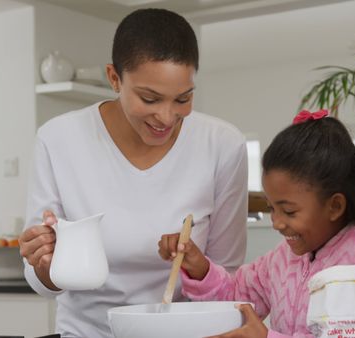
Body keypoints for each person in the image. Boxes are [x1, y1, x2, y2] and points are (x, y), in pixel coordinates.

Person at [19, 8, 248, 338]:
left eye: (183, 99)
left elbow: (228, 277)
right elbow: (44, 283)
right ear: (114, 78)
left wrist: (197, 266)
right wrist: (43, 263)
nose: (167, 118)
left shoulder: (223, 145)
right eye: (150, 98)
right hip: (88, 333)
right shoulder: (57, 140)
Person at [159, 110, 355, 338]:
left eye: (288, 211)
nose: (276, 223)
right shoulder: (280, 260)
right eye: (271, 208)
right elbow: (236, 300)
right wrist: (199, 267)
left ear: (334, 206)